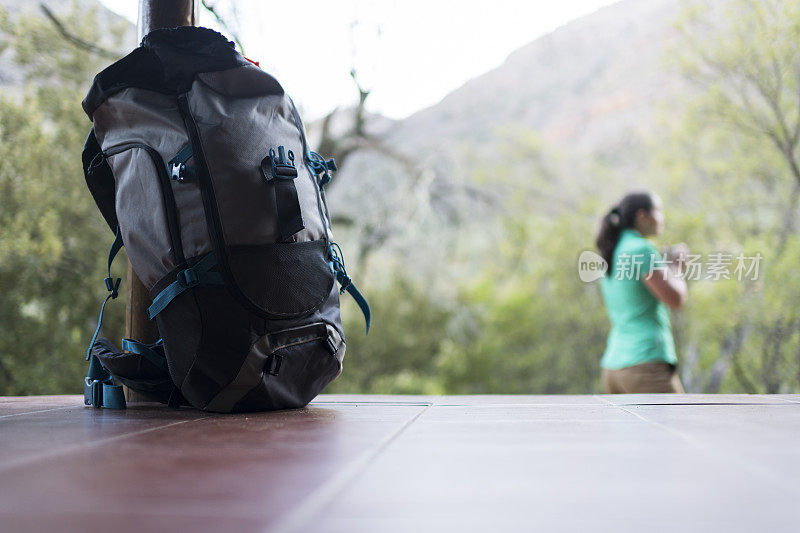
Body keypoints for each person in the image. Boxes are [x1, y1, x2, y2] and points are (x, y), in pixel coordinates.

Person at [595, 192, 688, 393]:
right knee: (680, 423)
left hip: (614, 368)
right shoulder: (641, 250)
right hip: (645, 365)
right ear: (642, 216)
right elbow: (676, 299)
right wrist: (677, 268)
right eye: (658, 211)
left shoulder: (614, 249)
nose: (662, 218)